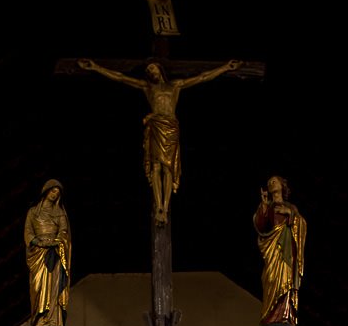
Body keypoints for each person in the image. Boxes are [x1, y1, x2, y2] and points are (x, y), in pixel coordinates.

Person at [77, 56, 241, 224]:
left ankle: (165, 204)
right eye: (148, 70)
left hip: (170, 127)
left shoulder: (175, 85)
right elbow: (120, 77)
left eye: (152, 68)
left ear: (160, 69)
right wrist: (96, 67)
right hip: (156, 126)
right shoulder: (148, 87)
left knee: (168, 168)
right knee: (156, 167)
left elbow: (202, 77)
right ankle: (159, 206)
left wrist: (225, 67)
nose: (150, 72)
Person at [254, 175, 306, 326]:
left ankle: (284, 316)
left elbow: (301, 225)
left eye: (274, 181)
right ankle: (270, 316)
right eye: (269, 182)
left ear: (282, 185)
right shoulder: (267, 206)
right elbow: (261, 227)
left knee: (286, 281)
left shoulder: (291, 207)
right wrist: (263, 207)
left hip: (287, 253)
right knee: (270, 278)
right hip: (273, 251)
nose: (270, 183)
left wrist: (290, 214)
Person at [24, 180, 71, 326]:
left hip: (55, 252)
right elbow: (28, 232)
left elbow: (64, 231)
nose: (54, 195)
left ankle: (53, 320)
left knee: (54, 287)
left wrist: (56, 241)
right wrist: (38, 241)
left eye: (57, 193)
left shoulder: (59, 213)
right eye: (52, 191)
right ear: (46, 191)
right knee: (38, 286)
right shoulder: (33, 212)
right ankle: (39, 320)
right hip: (38, 252)